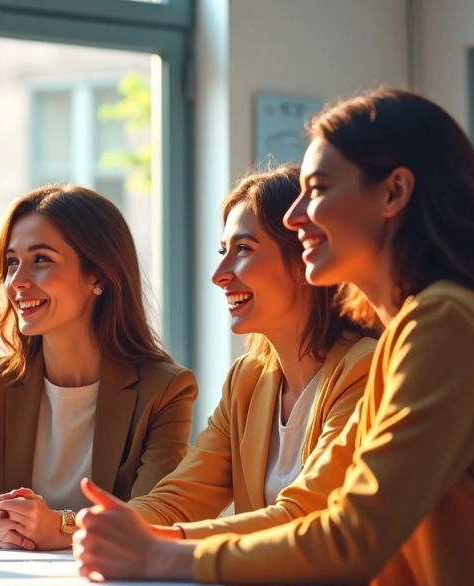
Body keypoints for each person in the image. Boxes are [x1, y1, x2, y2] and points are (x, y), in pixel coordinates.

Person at [73, 89, 474, 586]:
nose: (296, 216)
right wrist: (137, 540)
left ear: (395, 192)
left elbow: (350, 534)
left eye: (318, 190)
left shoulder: (445, 323)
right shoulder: (415, 330)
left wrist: (160, 557)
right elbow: (325, 496)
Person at [0, 185, 197, 551]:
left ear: (98, 276)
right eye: (12, 262)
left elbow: (155, 517)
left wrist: (60, 527)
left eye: (41, 259)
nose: (17, 281)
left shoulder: (165, 390)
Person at [126, 166, 378, 538]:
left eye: (243, 249)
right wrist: (75, 525)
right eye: (223, 250)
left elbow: (306, 515)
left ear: (305, 257)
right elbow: (178, 499)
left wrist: (172, 541)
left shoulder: (367, 367)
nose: (219, 274)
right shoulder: (248, 379)